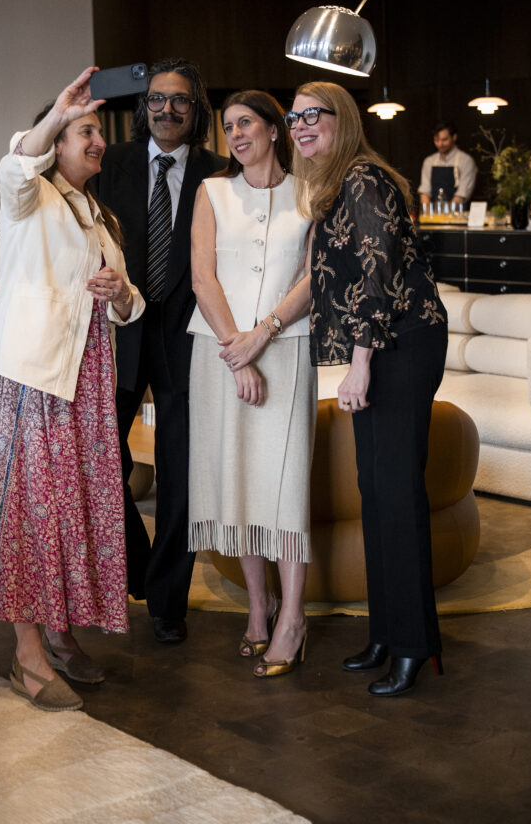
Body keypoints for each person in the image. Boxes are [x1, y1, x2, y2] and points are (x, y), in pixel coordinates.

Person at [0, 68, 144, 712]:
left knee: (72, 511)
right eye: (86, 131)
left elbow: (128, 305)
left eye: (97, 132)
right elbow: (15, 166)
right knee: (29, 512)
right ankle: (25, 654)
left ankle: (60, 629)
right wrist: (54, 115)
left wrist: (122, 294)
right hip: (34, 378)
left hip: (85, 386)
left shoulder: (98, 214)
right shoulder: (31, 196)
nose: (97, 140)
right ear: (56, 140)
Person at [289, 81, 448, 697]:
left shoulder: (361, 179)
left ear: (342, 119)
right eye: (293, 116)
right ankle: (386, 633)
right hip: (384, 344)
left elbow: (377, 277)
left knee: (396, 492)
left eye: (313, 115)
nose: (300, 126)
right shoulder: (336, 184)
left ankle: (414, 646)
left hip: (398, 344)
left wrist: (360, 365)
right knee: (375, 491)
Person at [96, 57, 227, 644]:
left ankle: (168, 601)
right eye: (156, 99)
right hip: (119, 332)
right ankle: (141, 564)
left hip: (185, 339)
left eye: (179, 101)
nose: (166, 110)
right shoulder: (111, 164)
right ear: (142, 107)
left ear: (195, 111)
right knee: (100, 457)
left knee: (181, 474)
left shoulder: (219, 173)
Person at [188, 91, 316, 678]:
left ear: (274, 129)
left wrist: (262, 336)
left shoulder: (310, 191)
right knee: (238, 478)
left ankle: (293, 617)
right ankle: (259, 608)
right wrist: (238, 357)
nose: (236, 135)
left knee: (285, 482)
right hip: (218, 353)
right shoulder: (211, 193)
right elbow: (202, 275)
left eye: (246, 124)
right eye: (228, 127)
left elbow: (313, 277)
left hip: (288, 351)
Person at [418, 120, 477, 207]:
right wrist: (428, 214)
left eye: (444, 140)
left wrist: (445, 215)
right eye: (436, 140)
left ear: (454, 137)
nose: (440, 144)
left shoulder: (466, 161)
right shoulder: (429, 161)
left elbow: (461, 195)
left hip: (458, 216)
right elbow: (425, 192)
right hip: (433, 216)